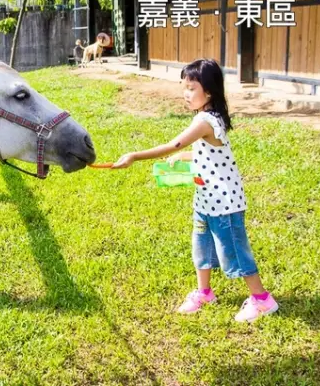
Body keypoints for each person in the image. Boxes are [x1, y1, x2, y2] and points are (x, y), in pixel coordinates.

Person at [111, 58, 278, 322]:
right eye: (183, 87)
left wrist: (134, 155)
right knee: (202, 246)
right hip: (206, 200)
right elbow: (206, 152)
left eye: (191, 88)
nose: (185, 94)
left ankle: (262, 300)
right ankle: (204, 292)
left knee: (234, 249)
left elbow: (173, 144)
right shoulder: (208, 119)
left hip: (224, 203)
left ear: (208, 91)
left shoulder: (205, 120)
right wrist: (187, 158)